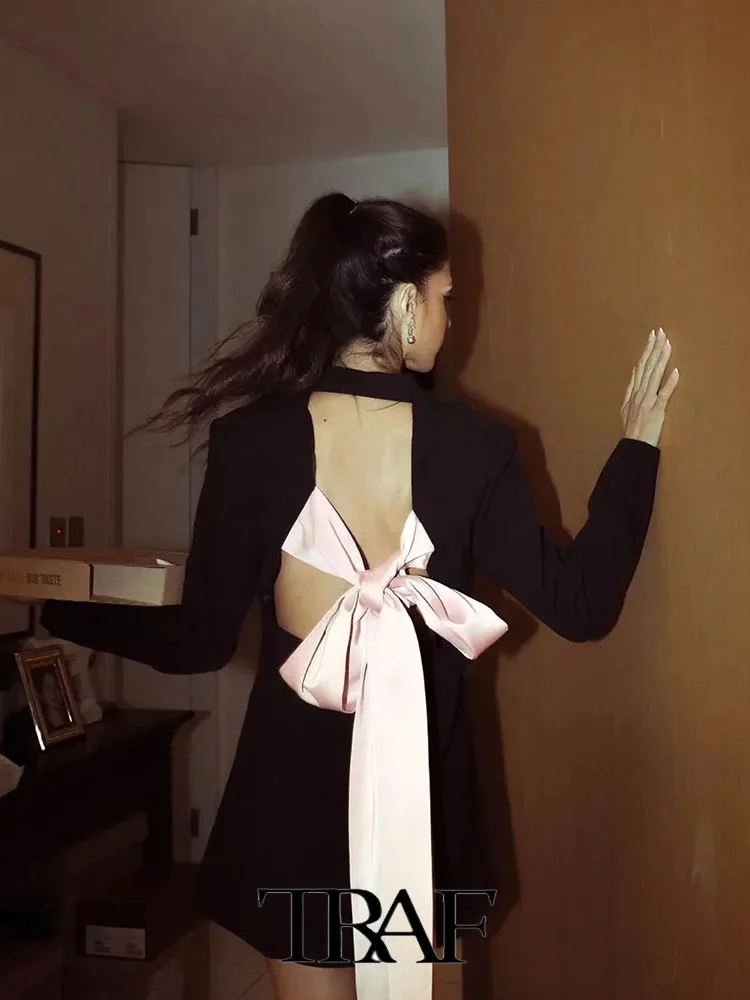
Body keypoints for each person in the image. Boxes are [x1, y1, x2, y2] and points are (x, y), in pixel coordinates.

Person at [39, 193, 678, 1000]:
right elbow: (581, 605)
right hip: (422, 813)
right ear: (406, 306)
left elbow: (198, 641)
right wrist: (637, 448)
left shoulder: (251, 442)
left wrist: (61, 609)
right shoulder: (477, 447)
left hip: (291, 813)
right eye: (446, 297)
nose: (451, 317)